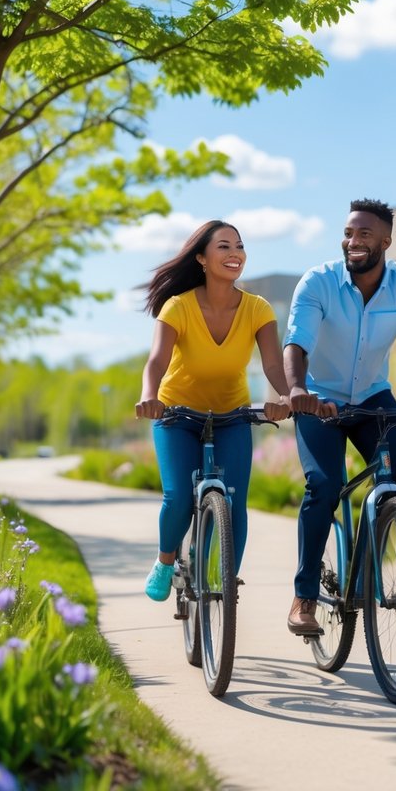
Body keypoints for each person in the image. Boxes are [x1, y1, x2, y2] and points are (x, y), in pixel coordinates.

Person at [283, 198, 396, 634]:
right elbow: (297, 342)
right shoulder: (318, 283)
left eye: (364, 234)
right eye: (348, 232)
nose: (353, 241)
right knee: (324, 486)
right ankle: (304, 597)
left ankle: (385, 564)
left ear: (386, 240)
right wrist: (296, 390)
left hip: (372, 397)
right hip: (319, 400)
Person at [135, 220, 292, 602]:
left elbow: (273, 365)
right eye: (223, 247)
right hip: (176, 415)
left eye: (239, 245)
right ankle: (166, 560)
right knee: (177, 497)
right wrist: (149, 395)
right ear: (202, 258)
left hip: (231, 415)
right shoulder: (179, 306)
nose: (234, 253)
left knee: (234, 499)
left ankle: (225, 582)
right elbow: (157, 360)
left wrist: (287, 397)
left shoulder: (257, 308)